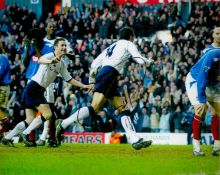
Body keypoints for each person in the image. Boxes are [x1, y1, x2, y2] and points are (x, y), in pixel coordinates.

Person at [56, 27, 153, 150]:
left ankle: (135, 139)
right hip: (109, 73)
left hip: (106, 73)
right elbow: (139, 59)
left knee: (123, 107)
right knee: (95, 107)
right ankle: (63, 123)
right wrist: (149, 62)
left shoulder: (111, 47)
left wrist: (92, 80)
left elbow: (94, 63)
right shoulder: (128, 43)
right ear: (130, 37)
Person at [2, 38, 93, 147]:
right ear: (55, 47)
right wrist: (51, 61)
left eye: (65, 46)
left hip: (36, 89)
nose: (64, 47)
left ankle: (7, 138)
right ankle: (25, 133)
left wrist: (84, 86)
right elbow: (40, 60)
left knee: (29, 119)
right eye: (62, 45)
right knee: (48, 114)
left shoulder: (62, 64)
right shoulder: (50, 55)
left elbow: (69, 79)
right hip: (34, 87)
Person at [36, 21, 74, 147]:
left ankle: (46, 136)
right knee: (42, 107)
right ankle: (47, 134)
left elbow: (72, 54)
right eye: (50, 26)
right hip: (42, 76)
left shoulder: (60, 42)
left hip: (56, 77)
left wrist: (69, 54)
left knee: (50, 107)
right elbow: (37, 58)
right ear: (46, 28)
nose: (52, 28)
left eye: (54, 26)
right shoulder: (42, 42)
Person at [185, 48, 220, 156]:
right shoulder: (213, 55)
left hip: (212, 83)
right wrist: (202, 99)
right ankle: (196, 147)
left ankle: (217, 147)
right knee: (201, 109)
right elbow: (202, 77)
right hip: (195, 80)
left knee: (218, 111)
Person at [0, 41, 12, 140]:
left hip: (2, 87)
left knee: (1, 110)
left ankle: (7, 132)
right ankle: (3, 134)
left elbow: (0, 72)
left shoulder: (2, 57)